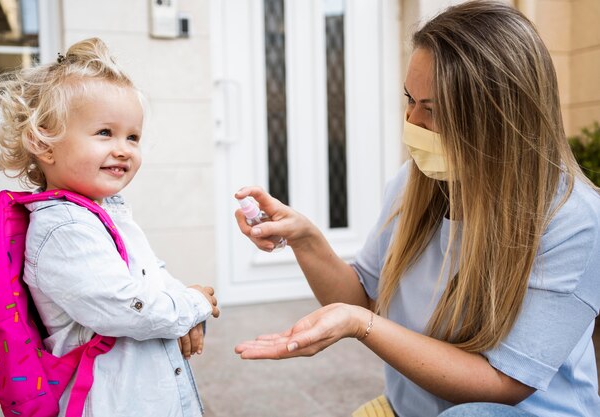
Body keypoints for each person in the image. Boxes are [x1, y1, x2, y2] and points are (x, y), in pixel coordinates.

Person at [233, 1, 600, 416]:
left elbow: (502, 384)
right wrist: (306, 239)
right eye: (410, 100)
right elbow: (364, 298)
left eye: (433, 109)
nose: (412, 120)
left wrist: (363, 326)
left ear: (499, 116)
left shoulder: (574, 222)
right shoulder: (412, 186)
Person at [0, 37, 220, 417]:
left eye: (133, 137)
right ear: (43, 143)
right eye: (104, 133)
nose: (124, 148)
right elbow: (126, 307)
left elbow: (151, 273)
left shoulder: (104, 211)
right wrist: (192, 304)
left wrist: (181, 300)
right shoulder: (64, 230)